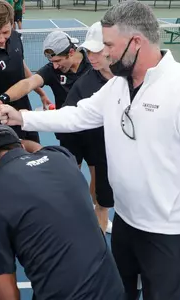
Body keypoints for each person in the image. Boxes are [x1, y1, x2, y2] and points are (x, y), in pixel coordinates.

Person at [0, 1, 180, 299]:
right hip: (125, 221)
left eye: (109, 45)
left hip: (168, 232)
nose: (104, 53)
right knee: (121, 293)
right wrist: (23, 117)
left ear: (136, 42)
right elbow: (78, 115)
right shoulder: (118, 85)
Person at [0, 124, 125, 300]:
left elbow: (6, 295)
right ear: (21, 146)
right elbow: (40, 149)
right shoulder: (61, 158)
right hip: (111, 289)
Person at [0, 0, 49, 153]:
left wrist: (41, 93)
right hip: (4, 122)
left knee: (36, 155)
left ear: (12, 24)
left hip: (26, 114)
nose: (1, 39)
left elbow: (21, 65)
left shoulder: (15, 37)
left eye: (5, 32)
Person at [61, 22, 115, 234]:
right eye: (88, 51)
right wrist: (25, 117)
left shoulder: (131, 77)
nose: (90, 56)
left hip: (112, 152)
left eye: (96, 51)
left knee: (104, 198)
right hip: (84, 144)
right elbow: (67, 118)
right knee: (80, 185)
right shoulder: (84, 84)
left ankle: (97, 213)